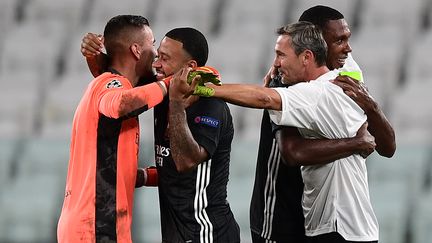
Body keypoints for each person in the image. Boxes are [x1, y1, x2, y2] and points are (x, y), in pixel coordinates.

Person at [174, 21, 384, 243]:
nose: (276, 63)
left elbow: (263, 98)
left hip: (340, 227)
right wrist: (357, 140)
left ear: (306, 57)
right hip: (348, 225)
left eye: (281, 55)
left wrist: (204, 88)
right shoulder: (339, 85)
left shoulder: (316, 93)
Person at [249, 5, 396, 243]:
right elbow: (290, 152)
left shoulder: (346, 72)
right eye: (339, 40)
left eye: (346, 38)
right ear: (314, 42)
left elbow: (386, 147)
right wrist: (355, 143)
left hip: (319, 216)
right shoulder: (284, 82)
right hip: (280, 213)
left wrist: (371, 109)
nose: (348, 48)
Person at [81, 27, 240, 243]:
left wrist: (175, 103)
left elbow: (186, 161)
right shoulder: (164, 88)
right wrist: (93, 53)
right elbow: (118, 78)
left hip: (205, 231)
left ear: (189, 67)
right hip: (176, 233)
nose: (156, 64)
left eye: (164, 58)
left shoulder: (210, 106)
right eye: (157, 55)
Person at [57, 15, 169, 243]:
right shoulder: (111, 84)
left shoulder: (108, 84)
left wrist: (144, 176)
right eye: (153, 44)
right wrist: (170, 85)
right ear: (137, 50)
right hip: (97, 226)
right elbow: (120, 105)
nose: (156, 54)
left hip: (93, 224)